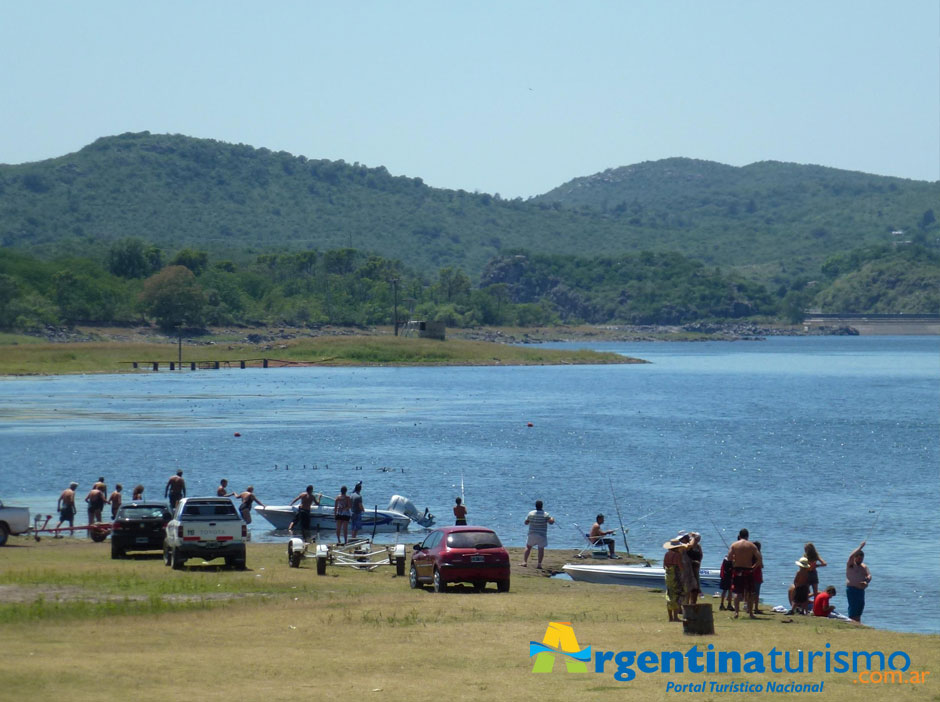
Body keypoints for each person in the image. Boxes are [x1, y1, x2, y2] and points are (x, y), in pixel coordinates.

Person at [727, 528, 762, 619]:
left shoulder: (734, 545)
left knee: (737, 592)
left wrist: (735, 559)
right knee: (750, 592)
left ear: (739, 536)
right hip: (748, 570)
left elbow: (729, 558)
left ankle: (736, 613)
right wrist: (754, 567)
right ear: (748, 536)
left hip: (738, 570)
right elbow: (759, 558)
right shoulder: (752, 545)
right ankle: (750, 613)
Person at [522, 500, 554, 569]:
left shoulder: (531, 513)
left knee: (528, 547)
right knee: (541, 549)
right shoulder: (546, 514)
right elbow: (551, 522)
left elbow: (526, 522)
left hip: (532, 533)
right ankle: (539, 564)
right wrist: (552, 519)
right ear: (542, 506)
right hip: (541, 534)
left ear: (535, 506)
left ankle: (524, 562)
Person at [845, 541, 872, 623]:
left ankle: (857, 622)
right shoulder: (851, 565)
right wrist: (860, 547)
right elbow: (850, 556)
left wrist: (866, 581)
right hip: (852, 589)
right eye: (859, 558)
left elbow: (869, 576)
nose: (860, 560)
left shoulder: (863, 567)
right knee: (853, 607)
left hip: (860, 590)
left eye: (862, 558)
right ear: (855, 557)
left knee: (860, 606)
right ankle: (852, 622)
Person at [662, 534, 686, 622]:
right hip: (676, 576)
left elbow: (664, 566)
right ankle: (675, 617)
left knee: (669, 595)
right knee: (677, 595)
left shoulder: (667, 554)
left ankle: (670, 617)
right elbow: (680, 566)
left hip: (668, 576)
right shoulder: (677, 555)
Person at [681, 532, 703, 604]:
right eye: (696, 539)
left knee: (696, 588)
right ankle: (686, 604)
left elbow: (700, 556)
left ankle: (693, 603)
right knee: (688, 587)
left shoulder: (698, 547)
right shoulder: (687, 546)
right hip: (688, 569)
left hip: (696, 569)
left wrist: (698, 563)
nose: (697, 540)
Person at [751, 541, 764, 614]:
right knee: (756, 593)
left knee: (750, 592)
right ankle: (755, 608)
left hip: (750, 575)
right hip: (757, 575)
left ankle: (748, 607)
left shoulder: (750, 555)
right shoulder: (759, 555)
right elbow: (761, 565)